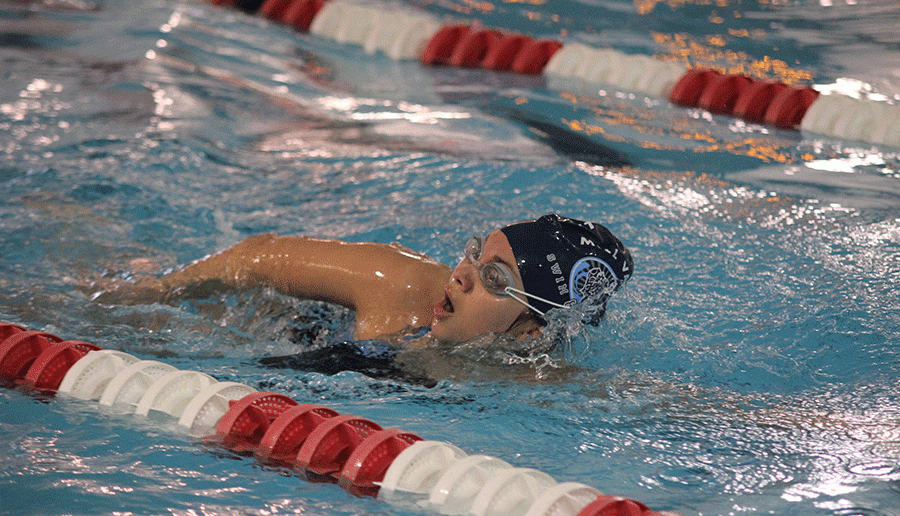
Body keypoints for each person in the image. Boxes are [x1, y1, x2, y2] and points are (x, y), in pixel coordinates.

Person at [105, 214, 633, 348]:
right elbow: (260, 256)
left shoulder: (524, 376)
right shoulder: (400, 282)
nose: (462, 275)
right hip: (270, 322)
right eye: (474, 254)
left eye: (494, 277)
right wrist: (152, 292)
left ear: (529, 332)